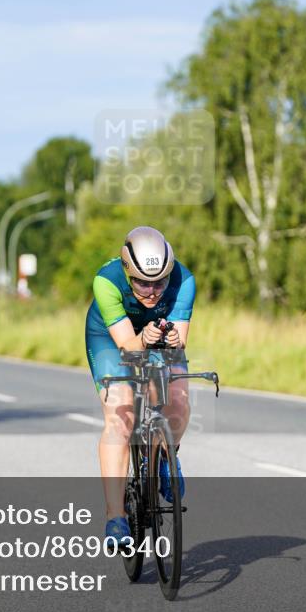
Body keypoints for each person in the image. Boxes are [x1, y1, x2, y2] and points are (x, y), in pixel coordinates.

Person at [85, 226, 195, 545]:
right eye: (142, 283)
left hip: (155, 336)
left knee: (178, 398)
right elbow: (127, 347)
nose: (152, 291)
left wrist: (172, 340)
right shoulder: (106, 281)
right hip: (111, 338)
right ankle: (115, 517)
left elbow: (180, 342)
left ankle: (166, 456)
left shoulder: (184, 280)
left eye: (160, 281)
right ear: (127, 271)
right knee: (121, 416)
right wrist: (143, 339)